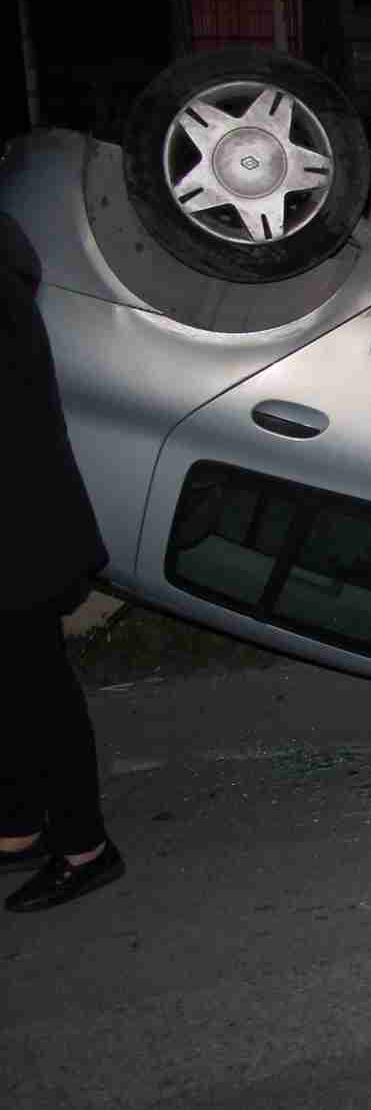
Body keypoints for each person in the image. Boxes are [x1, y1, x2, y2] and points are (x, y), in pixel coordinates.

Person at [0, 213, 125, 913]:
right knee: (18, 688)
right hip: (27, 524)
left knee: (36, 692)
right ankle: (19, 825)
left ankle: (84, 846)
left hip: (18, 533)